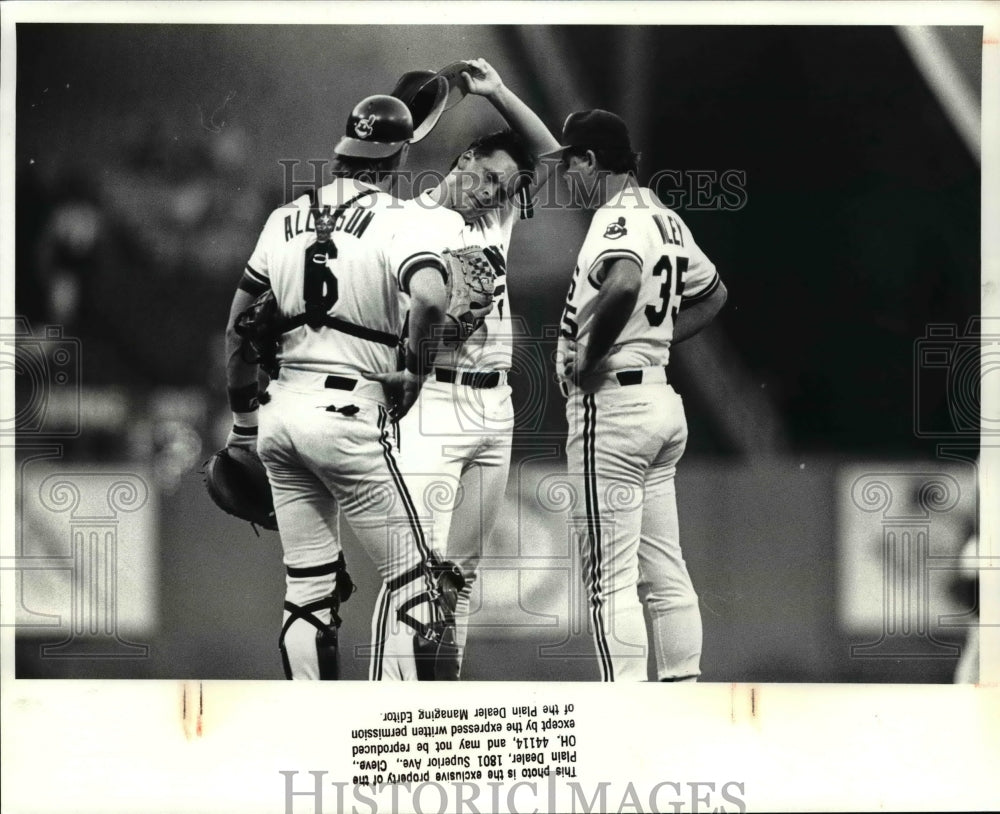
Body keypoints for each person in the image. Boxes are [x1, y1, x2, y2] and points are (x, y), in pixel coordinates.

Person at [223, 94, 467, 680]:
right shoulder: (400, 219)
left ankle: (315, 726)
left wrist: (241, 425)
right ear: (399, 155)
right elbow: (431, 297)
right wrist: (416, 367)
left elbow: (237, 327)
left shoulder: (284, 217)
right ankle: (402, 741)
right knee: (423, 591)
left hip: (280, 418)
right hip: (347, 413)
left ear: (345, 151)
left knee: (308, 586)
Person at [367, 58, 560, 680]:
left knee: (461, 577)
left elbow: (551, 157)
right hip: (432, 399)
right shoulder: (407, 220)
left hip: (493, 407)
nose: (497, 193)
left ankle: (441, 703)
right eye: (493, 177)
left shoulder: (495, 215)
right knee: (416, 571)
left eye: (508, 188)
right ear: (467, 158)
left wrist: (499, 91)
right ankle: (387, 713)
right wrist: (455, 316)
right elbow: (411, 323)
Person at [549, 110, 728, 681]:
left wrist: (593, 354)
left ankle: (624, 711)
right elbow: (715, 293)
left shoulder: (616, 216)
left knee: (610, 580)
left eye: (569, 162)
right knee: (665, 571)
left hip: (614, 409)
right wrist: (652, 339)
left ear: (591, 161)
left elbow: (624, 280)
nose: (564, 175)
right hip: (657, 402)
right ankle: (681, 689)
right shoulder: (665, 217)